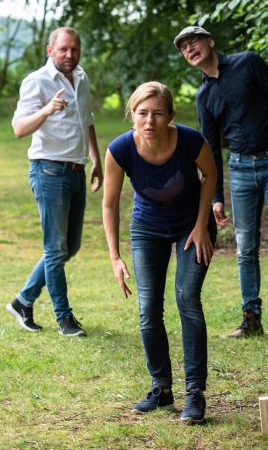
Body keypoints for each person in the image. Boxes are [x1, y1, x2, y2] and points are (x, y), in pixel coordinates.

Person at [174, 25, 268, 347]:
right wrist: (216, 196)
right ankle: (251, 319)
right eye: (184, 47)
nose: (191, 49)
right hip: (240, 170)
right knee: (245, 248)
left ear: (210, 42)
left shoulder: (249, 63)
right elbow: (210, 149)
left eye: (195, 42)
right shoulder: (204, 96)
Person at [102, 81, 217, 423]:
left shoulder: (191, 141)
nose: (149, 121)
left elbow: (210, 174)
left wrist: (201, 224)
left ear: (170, 116)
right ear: (132, 115)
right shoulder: (120, 149)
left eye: (157, 114)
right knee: (148, 308)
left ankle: (195, 393)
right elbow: (109, 205)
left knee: (187, 298)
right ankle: (162, 389)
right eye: (142, 113)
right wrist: (115, 257)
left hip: (190, 225)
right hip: (148, 227)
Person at [5, 26, 102, 337]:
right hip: (49, 171)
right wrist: (47, 109)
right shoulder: (37, 81)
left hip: (76, 171)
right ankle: (65, 319)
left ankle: (23, 301)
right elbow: (19, 129)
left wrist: (96, 160)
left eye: (74, 49)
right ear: (50, 50)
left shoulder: (82, 78)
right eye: (63, 50)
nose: (70, 55)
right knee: (55, 248)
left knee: (68, 246)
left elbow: (86, 120)